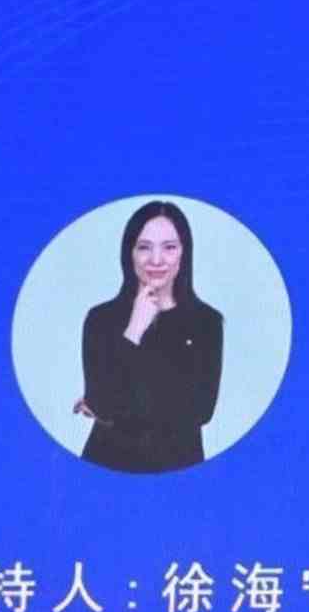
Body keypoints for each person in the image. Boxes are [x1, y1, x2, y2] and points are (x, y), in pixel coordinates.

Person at [74, 199, 227, 474]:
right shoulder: (100, 319)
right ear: (129, 253)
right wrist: (134, 329)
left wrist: (113, 404)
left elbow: (201, 411)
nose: (156, 260)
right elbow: (103, 405)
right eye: (144, 247)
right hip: (106, 467)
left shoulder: (207, 322)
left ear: (184, 253)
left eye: (169, 247)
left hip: (179, 469)